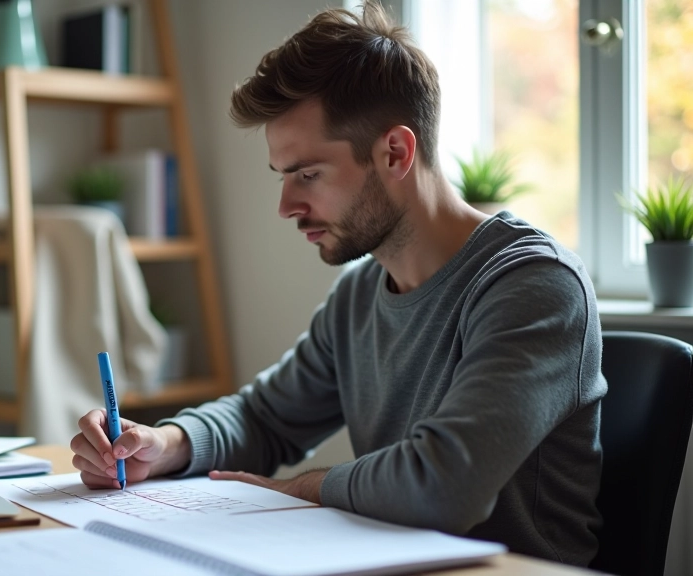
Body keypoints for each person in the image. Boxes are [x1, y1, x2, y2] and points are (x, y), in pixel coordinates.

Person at [70, 2, 606, 567]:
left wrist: (301, 490)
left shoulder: (534, 284)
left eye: (307, 174)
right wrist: (163, 445)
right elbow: (264, 418)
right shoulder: (360, 295)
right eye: (283, 177)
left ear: (395, 152)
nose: (286, 206)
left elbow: (444, 484)